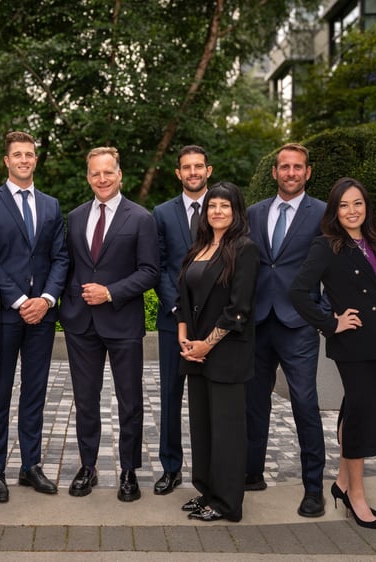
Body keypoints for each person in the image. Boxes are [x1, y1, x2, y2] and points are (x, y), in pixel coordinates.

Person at [289, 177, 376, 530]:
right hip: (351, 344)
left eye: (357, 203)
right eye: (344, 205)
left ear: (366, 207)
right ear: (335, 211)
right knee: (361, 415)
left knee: (355, 409)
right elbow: (297, 292)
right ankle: (357, 494)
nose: (352, 210)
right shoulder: (326, 246)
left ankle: (342, 483)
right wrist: (331, 323)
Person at [59, 146, 159, 502]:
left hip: (122, 322)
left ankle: (129, 471)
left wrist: (111, 292)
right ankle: (87, 467)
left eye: (108, 172)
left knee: (130, 401)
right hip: (81, 324)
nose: (102, 179)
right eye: (95, 173)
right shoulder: (75, 217)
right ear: (88, 178)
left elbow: (150, 271)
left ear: (120, 175)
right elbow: (69, 265)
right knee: (85, 401)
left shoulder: (141, 218)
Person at [0, 131, 68, 503]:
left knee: (35, 393)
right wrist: (20, 300)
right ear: (6, 161)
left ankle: (30, 466)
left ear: (35, 160)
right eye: (18, 155)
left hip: (42, 316)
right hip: (5, 315)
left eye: (29, 154)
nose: (24, 160)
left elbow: (60, 257)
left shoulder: (51, 205)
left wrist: (45, 299)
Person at [245, 143, 327, 518]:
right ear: (274, 172)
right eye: (284, 167)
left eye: (297, 167)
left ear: (307, 172)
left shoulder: (323, 213)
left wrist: (323, 312)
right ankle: (252, 473)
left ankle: (314, 489)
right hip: (259, 322)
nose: (290, 173)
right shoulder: (254, 213)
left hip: (299, 325)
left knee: (305, 404)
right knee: (253, 403)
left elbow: (336, 264)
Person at [175, 182, 259, 522]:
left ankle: (227, 503)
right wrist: (184, 338)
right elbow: (183, 298)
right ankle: (207, 492)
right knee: (203, 428)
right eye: (212, 206)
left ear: (236, 211)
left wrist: (206, 344)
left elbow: (239, 308)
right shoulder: (198, 247)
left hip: (226, 353)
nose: (218, 211)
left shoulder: (244, 250)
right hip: (195, 352)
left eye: (225, 206)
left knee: (227, 432)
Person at [152, 145, 212, 495]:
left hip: (213, 325)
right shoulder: (161, 213)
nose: (192, 172)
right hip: (172, 322)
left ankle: (210, 470)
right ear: (178, 173)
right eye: (186, 167)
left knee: (211, 399)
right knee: (170, 396)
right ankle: (170, 468)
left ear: (208, 170)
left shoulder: (222, 208)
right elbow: (159, 267)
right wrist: (178, 313)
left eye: (198, 166)